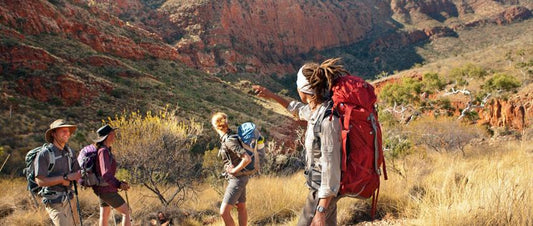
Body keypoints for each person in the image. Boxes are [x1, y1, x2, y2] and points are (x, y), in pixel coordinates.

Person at [253, 58, 344, 226]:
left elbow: (331, 167)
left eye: (297, 84)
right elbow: (297, 110)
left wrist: (321, 210)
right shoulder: (317, 111)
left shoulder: (328, 120)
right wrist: (271, 95)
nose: (296, 88)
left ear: (304, 89)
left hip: (321, 194)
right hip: (322, 192)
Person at [35, 119, 82, 226]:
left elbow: (77, 173)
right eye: (63, 131)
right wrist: (64, 178)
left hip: (70, 198)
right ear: (53, 134)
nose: (67, 133)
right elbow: (40, 181)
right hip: (54, 201)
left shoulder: (70, 152)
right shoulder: (44, 154)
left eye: (68, 131)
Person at [211, 112, 252, 226]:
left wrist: (234, 170)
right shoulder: (228, 137)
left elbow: (246, 159)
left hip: (237, 179)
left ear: (215, 126)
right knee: (241, 206)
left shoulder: (229, 140)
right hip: (241, 177)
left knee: (224, 212)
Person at [92, 124, 132, 226]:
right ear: (108, 136)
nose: (114, 135)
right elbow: (106, 174)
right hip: (107, 189)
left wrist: (118, 182)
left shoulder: (104, 150)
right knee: (126, 211)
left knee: (104, 214)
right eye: (113, 133)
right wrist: (118, 184)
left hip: (101, 188)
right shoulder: (104, 151)